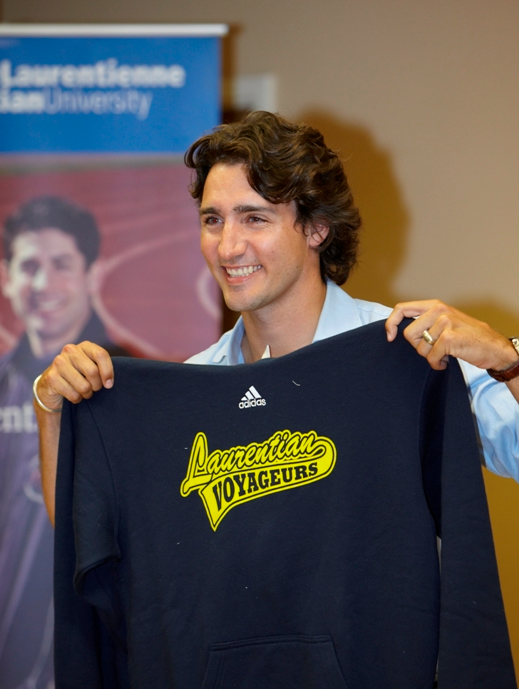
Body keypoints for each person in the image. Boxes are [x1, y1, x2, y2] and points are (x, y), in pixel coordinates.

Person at [34, 111, 519, 534]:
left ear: (317, 228)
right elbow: (90, 536)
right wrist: (51, 409)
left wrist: (507, 361)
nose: (228, 247)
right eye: (212, 220)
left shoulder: (411, 357)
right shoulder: (194, 386)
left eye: (254, 219)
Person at [0, 195, 123, 689]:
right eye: (29, 266)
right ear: (7, 276)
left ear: (93, 274)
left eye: (61, 265)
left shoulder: (131, 389)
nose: (42, 284)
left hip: (91, 650)